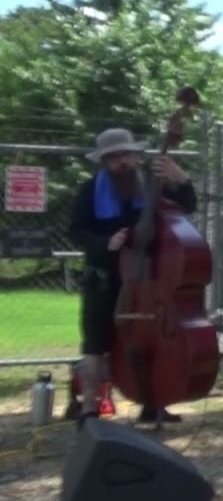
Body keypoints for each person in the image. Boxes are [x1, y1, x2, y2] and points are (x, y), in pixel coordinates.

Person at [67, 127, 196, 424]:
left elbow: (188, 206)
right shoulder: (90, 189)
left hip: (152, 281)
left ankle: (154, 401)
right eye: (114, 157)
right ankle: (89, 409)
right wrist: (106, 243)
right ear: (104, 161)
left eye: (126, 154)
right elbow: (76, 231)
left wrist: (181, 178)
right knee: (95, 341)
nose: (122, 161)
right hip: (105, 276)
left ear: (137, 156)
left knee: (153, 340)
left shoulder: (155, 183)